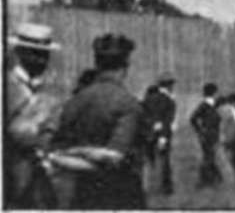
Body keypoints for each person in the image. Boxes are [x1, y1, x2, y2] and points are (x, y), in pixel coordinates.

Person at [53, 33, 146, 208]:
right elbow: (115, 157)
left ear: (97, 65)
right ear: (125, 67)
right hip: (122, 195)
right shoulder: (128, 104)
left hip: (82, 195)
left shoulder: (74, 101)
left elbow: (57, 152)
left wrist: (77, 151)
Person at [4, 22, 61, 208]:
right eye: (36, 54)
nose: (42, 61)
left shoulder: (40, 89)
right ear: (20, 53)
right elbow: (20, 133)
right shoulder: (9, 87)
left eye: (45, 55)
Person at [141, 72, 177, 195]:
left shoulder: (148, 99)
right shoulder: (170, 101)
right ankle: (165, 188)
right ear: (169, 85)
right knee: (164, 162)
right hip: (163, 135)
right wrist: (163, 137)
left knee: (149, 161)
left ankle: (147, 188)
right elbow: (167, 121)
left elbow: (143, 116)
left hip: (148, 134)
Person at [190, 82, 222, 187]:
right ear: (214, 92)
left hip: (212, 134)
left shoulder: (213, 104)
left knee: (210, 156)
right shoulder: (204, 105)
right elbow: (193, 118)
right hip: (207, 134)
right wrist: (200, 131)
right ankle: (204, 181)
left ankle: (213, 178)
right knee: (208, 157)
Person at [215, 93, 235, 182]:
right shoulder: (232, 110)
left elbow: (222, 124)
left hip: (227, 136)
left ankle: (227, 177)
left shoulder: (224, 110)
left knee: (225, 158)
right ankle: (229, 177)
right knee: (228, 157)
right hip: (232, 136)